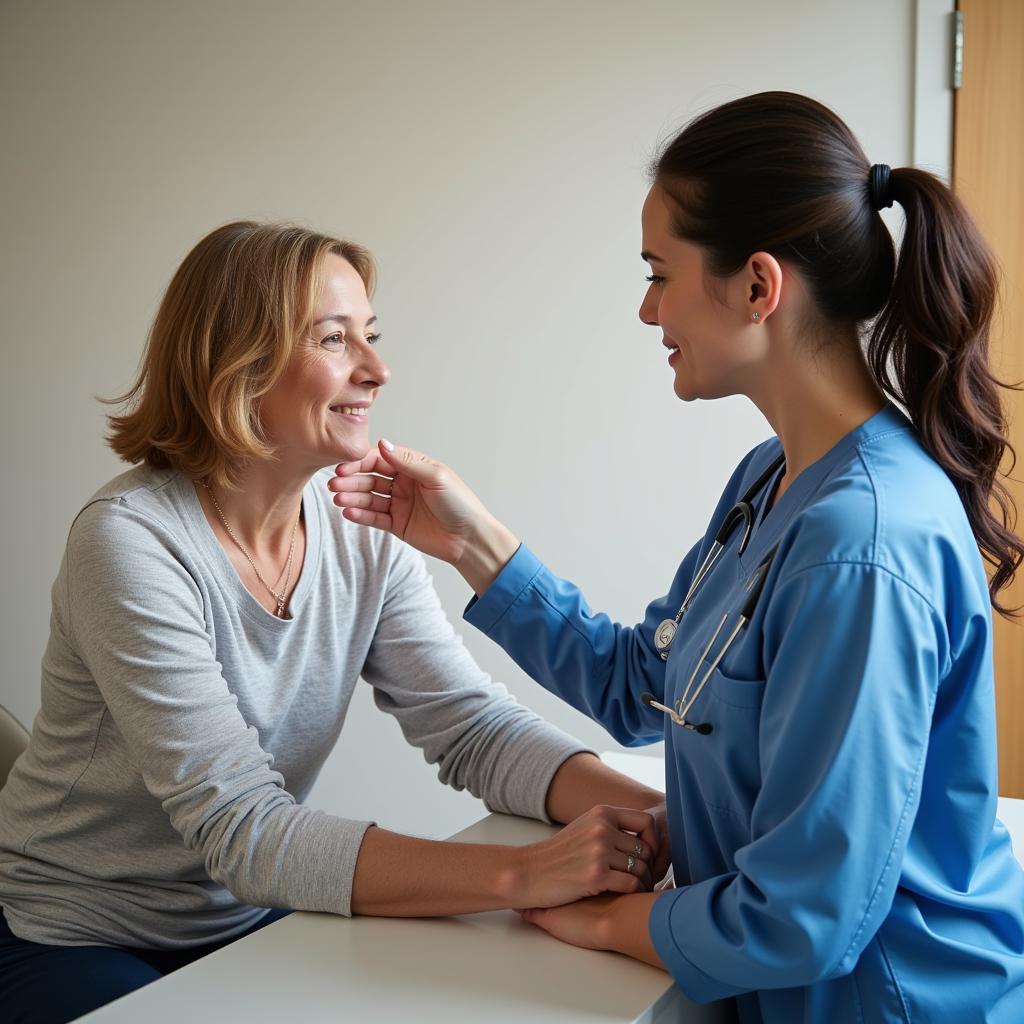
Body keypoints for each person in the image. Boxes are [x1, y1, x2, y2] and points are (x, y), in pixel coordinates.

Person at [329, 92, 1024, 1022]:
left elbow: (803, 917)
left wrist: (609, 922)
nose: (647, 307)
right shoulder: (771, 479)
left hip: (879, 1002)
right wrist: (472, 543)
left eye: (660, 273)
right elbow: (648, 687)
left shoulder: (861, 545)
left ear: (757, 286)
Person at [0, 221, 670, 1024]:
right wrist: (523, 873)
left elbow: (469, 728)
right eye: (333, 338)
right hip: (71, 929)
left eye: (371, 335)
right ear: (236, 363)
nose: (377, 369)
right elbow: (243, 828)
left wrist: (660, 817)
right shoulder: (130, 543)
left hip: (243, 917)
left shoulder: (357, 521)